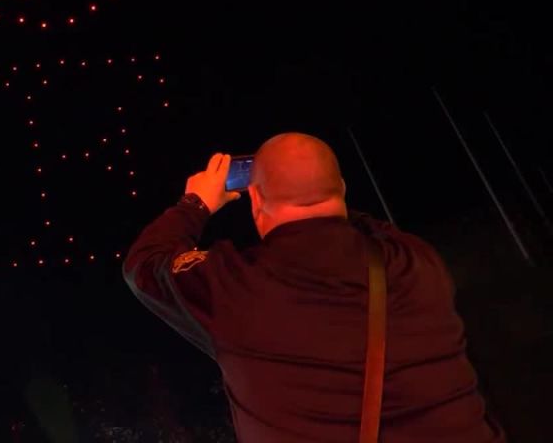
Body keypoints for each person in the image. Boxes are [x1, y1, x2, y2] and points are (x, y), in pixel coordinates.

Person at [124, 134, 505, 442]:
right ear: (341, 188)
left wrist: (196, 203)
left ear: (255, 199)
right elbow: (371, 227)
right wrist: (313, 186)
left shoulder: (233, 287)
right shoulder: (415, 261)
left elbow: (144, 264)